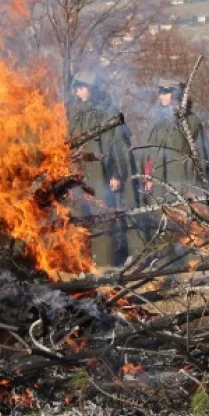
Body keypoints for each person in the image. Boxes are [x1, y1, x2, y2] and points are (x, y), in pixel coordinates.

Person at [66, 71, 139, 268]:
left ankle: (106, 265)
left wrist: (116, 174)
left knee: (102, 217)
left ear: (93, 89)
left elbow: (118, 146)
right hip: (77, 174)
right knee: (78, 217)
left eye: (82, 88)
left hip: (101, 172)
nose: (78, 92)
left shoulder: (108, 112)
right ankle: (80, 264)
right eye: (77, 88)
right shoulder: (75, 112)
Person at [139, 77, 209, 247]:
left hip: (182, 181)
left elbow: (202, 154)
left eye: (165, 93)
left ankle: (188, 259)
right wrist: (148, 177)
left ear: (175, 94)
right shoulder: (156, 121)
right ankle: (163, 257)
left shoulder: (191, 121)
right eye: (160, 93)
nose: (160, 97)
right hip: (159, 182)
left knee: (183, 220)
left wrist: (195, 185)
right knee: (161, 220)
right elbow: (149, 152)